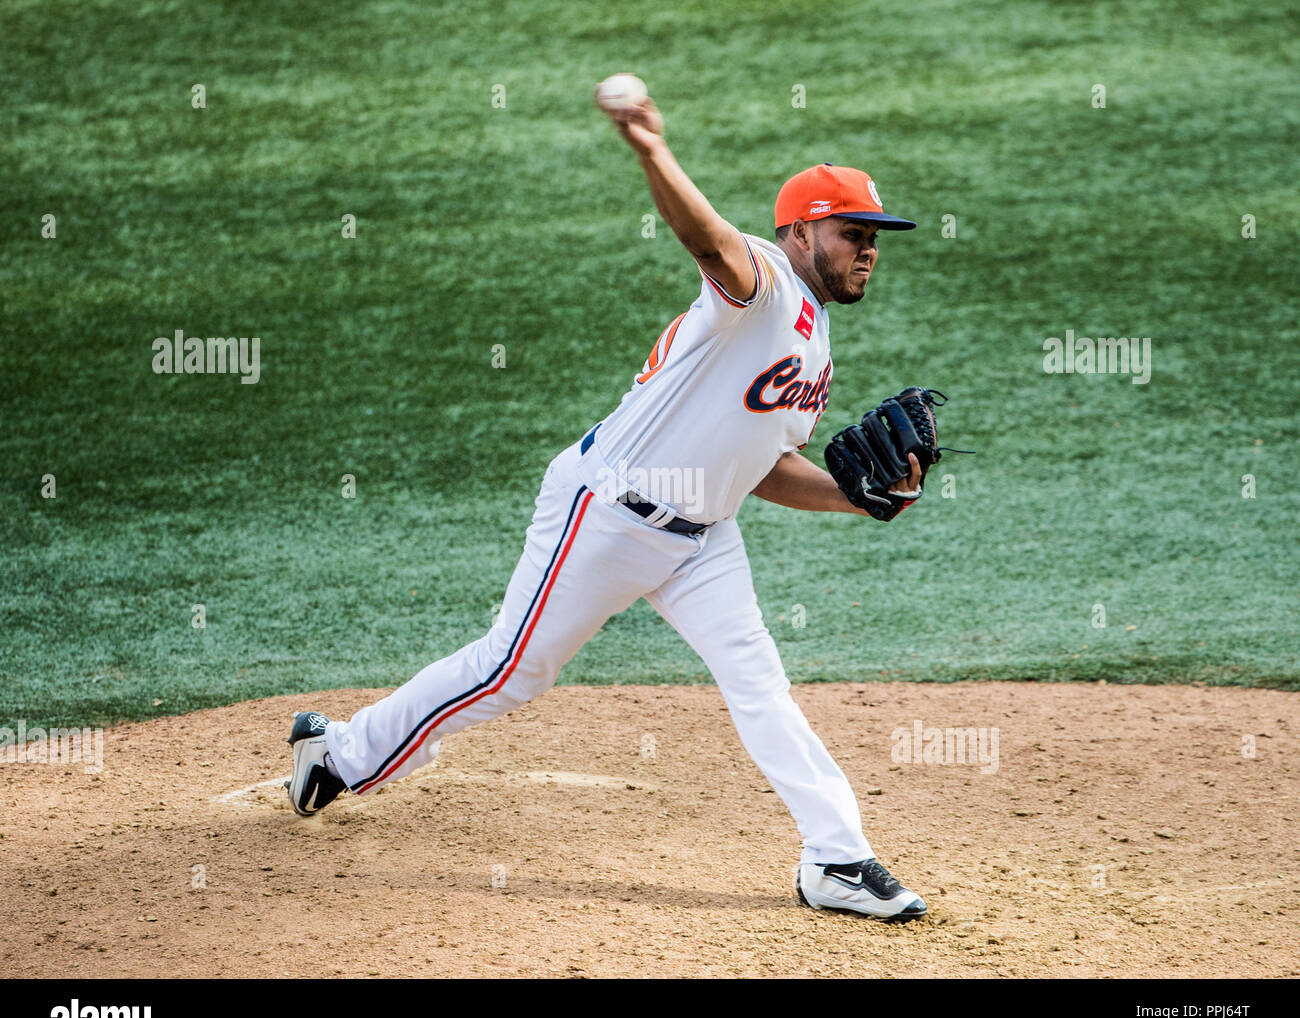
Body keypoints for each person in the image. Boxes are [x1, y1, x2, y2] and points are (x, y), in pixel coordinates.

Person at [285, 82, 928, 920]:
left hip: (703, 535)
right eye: (854, 233)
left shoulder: (815, 335)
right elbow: (707, 240)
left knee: (760, 683)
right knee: (510, 670)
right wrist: (653, 149)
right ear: (801, 230)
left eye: (875, 237)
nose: (868, 249)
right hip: (608, 514)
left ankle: (836, 859)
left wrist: (859, 500)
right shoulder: (763, 282)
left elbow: (763, 467)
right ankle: (335, 753)